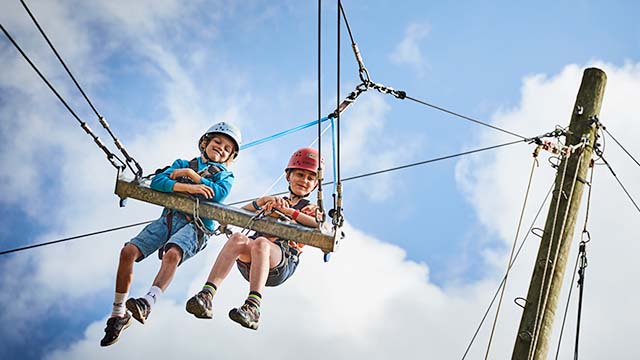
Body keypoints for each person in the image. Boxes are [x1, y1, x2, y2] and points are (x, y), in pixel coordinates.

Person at [100, 122, 242, 346]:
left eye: (227, 148)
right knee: (128, 252)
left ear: (230, 156)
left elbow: (218, 194)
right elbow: (158, 181)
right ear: (205, 143)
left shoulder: (225, 176)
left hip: (196, 227)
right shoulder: (183, 163)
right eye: (217, 142)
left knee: (172, 254)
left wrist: (191, 178)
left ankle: (148, 302)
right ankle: (118, 313)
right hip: (169, 218)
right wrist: (187, 186)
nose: (221, 149)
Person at [185, 147, 325, 330]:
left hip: (281, 262)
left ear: (315, 184)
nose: (304, 181)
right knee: (237, 238)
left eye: (310, 178)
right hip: (251, 261)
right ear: (289, 176)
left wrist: (289, 212)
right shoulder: (274, 201)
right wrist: (261, 202)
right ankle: (207, 295)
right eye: (300, 175)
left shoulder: (310, 209)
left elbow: (320, 225)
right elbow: (239, 213)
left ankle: (253, 307)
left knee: (261, 243)